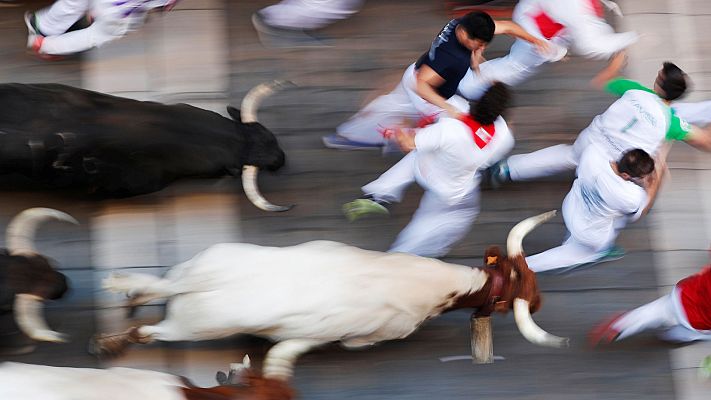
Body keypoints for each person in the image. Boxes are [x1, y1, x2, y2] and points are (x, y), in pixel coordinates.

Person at [323, 11, 546, 150]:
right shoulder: (451, 56)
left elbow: (507, 26)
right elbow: (422, 84)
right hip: (426, 91)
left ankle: (352, 130)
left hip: (414, 71)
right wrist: (447, 107)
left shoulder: (465, 23)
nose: (481, 49)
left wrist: (535, 40)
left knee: (391, 106)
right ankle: (387, 138)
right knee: (457, 121)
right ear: (464, 36)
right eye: (477, 44)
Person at [342, 83, 513, 258]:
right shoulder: (504, 136)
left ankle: (379, 196)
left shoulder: (450, 128)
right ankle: (399, 255)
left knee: (417, 154)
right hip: (451, 190)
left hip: (424, 169)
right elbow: (485, 162)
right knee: (423, 227)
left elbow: (408, 144)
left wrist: (399, 130)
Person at [490, 60, 711, 186]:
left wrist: (616, 62)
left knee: (565, 156)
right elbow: (705, 141)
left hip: (591, 140)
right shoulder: (672, 123)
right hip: (616, 164)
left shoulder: (633, 89)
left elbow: (602, 80)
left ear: (659, 82)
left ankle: (508, 169)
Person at [457, 0, 638, 101]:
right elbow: (591, 44)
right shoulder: (579, 15)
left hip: (532, 20)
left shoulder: (579, 14)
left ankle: (475, 79)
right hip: (537, 39)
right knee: (514, 66)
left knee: (514, 62)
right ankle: (473, 85)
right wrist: (629, 38)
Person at [525, 147, 663, 273]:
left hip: (571, 205)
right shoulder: (632, 196)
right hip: (588, 234)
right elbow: (638, 214)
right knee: (576, 253)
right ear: (626, 176)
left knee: (617, 214)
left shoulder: (593, 154)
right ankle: (524, 266)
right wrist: (652, 186)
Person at [590, 262, 711, 345]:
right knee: (680, 335)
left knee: (650, 313)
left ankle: (621, 324)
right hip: (697, 323)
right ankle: (669, 335)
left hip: (682, 296)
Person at [24, 0, 179, 59]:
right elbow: (163, 6)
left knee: (73, 4)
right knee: (94, 35)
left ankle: (43, 25)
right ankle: (45, 45)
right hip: (117, 11)